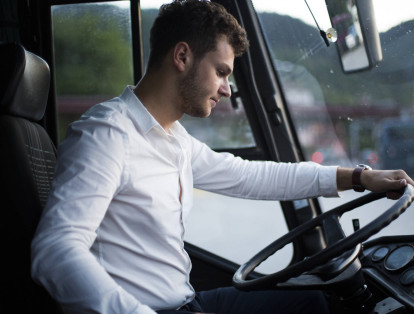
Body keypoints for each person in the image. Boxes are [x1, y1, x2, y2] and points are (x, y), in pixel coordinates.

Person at [31, 0, 414, 313]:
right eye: (221, 72)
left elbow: (253, 176)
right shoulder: (108, 133)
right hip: (148, 309)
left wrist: (359, 177)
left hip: (186, 300)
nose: (227, 90)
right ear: (182, 56)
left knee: (310, 300)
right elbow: (56, 250)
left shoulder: (174, 139)